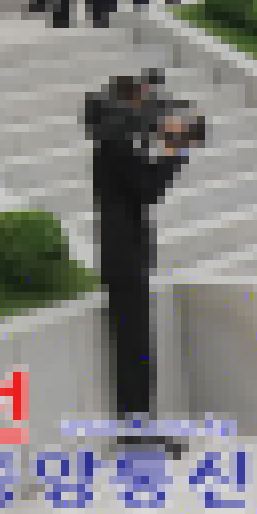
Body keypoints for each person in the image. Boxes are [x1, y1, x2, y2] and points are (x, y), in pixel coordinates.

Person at [91, 81, 191, 431]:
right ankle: (137, 432)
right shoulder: (116, 141)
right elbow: (148, 189)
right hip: (125, 256)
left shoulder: (113, 139)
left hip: (125, 254)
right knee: (134, 349)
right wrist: (173, 151)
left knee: (137, 348)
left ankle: (142, 427)